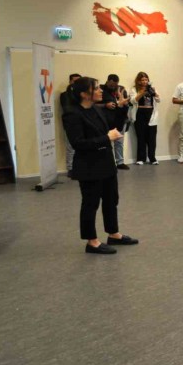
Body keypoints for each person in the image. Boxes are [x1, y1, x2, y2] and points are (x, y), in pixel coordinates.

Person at [61, 76, 138, 255]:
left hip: (106, 163)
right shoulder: (72, 114)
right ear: (84, 94)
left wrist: (121, 108)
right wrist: (106, 138)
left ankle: (113, 234)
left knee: (111, 200)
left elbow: (113, 127)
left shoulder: (96, 109)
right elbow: (78, 143)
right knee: (91, 204)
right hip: (89, 166)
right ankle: (92, 242)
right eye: (96, 88)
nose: (100, 90)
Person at [100, 74, 130, 170]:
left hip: (120, 119)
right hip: (106, 120)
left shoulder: (121, 89)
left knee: (119, 142)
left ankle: (120, 162)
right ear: (108, 81)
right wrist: (106, 105)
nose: (113, 87)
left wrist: (124, 103)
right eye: (111, 85)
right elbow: (94, 105)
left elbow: (126, 103)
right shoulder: (100, 89)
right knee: (106, 142)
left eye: (115, 85)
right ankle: (106, 163)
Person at [130, 71, 160, 165]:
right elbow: (132, 101)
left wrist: (154, 93)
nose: (144, 81)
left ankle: (152, 158)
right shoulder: (134, 89)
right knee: (141, 137)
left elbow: (158, 100)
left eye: (146, 79)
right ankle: (141, 158)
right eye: (142, 80)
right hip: (139, 114)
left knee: (152, 138)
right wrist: (141, 93)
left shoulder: (152, 88)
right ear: (138, 81)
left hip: (151, 114)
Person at [60, 73, 82, 178]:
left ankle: (80, 167)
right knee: (71, 147)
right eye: (75, 81)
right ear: (70, 82)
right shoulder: (65, 95)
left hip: (82, 123)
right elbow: (67, 109)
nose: (77, 83)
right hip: (70, 124)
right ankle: (70, 168)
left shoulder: (82, 94)